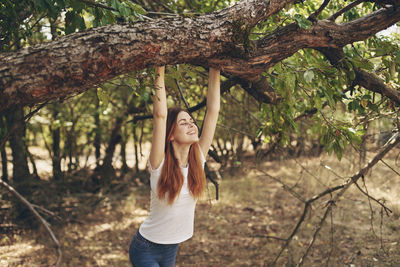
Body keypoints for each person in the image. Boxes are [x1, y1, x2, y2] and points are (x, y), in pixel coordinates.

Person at [129, 65, 220, 267]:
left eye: (192, 121)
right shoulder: (159, 163)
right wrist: (159, 68)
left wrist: (215, 68)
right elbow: (160, 116)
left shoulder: (197, 159)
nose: (191, 125)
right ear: (170, 135)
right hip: (145, 248)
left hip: (171, 248)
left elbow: (213, 111)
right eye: (183, 123)